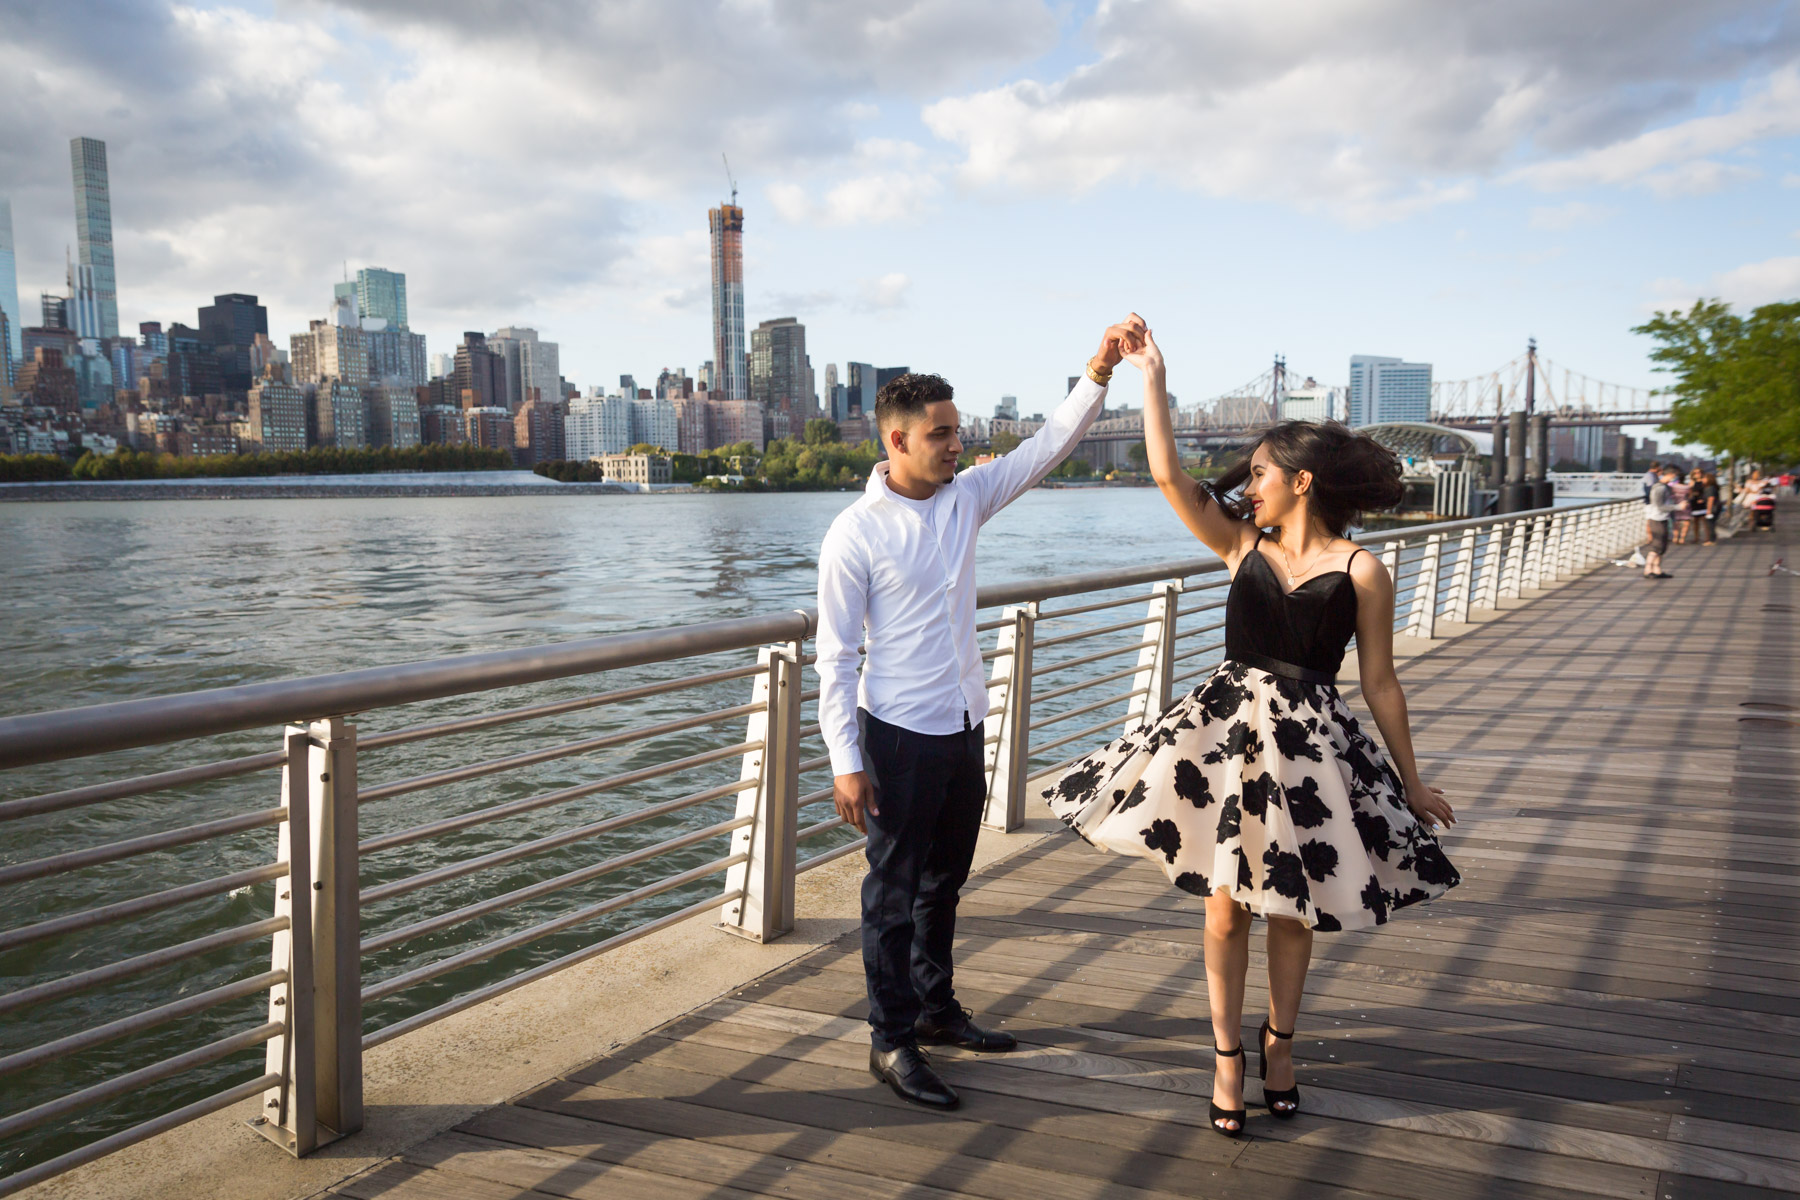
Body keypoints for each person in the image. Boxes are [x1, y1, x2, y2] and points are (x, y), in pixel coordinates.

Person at [1042, 322, 1459, 1138]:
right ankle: (1226, 1056)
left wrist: (1411, 779)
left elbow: (1380, 681)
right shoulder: (1241, 545)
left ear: (1302, 482)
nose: (1250, 483)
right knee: (1225, 907)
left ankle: (1281, 1045)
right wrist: (1152, 376)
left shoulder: (1361, 570)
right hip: (1229, 746)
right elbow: (1167, 472)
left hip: (1310, 750)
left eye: (1263, 473)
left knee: (1290, 909)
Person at [816, 317, 1143, 1110]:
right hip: (894, 736)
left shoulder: (966, 499)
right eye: (941, 434)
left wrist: (1098, 368)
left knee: (944, 884)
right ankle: (890, 1040)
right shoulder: (853, 535)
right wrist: (845, 761)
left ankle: (934, 1010)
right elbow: (834, 655)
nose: (957, 445)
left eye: (957, 432)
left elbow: (1047, 447)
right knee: (891, 896)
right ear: (897, 441)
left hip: (963, 727)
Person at [1643, 465, 1679, 577]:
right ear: (1671, 474)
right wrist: (1678, 507)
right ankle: (1648, 570)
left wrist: (1674, 519)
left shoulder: (1666, 487)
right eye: (1676, 476)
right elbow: (1660, 506)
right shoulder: (1659, 488)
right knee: (1657, 545)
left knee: (1662, 546)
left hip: (1663, 518)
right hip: (1656, 518)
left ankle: (1657, 569)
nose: (1676, 478)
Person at [1693, 470, 1720, 546]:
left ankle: (1711, 540)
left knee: (1710, 524)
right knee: (1711, 523)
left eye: (1704, 478)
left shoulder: (1710, 488)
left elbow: (1711, 499)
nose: (1703, 480)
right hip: (1716, 507)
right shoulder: (1712, 487)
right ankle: (1712, 538)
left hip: (1713, 508)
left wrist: (1709, 510)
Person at [1670, 472, 1693, 544]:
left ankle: (1675, 537)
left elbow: (1670, 495)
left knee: (1676, 523)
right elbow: (1690, 496)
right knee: (1686, 522)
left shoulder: (1674, 486)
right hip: (1685, 506)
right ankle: (1682, 538)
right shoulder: (1687, 487)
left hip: (1676, 505)